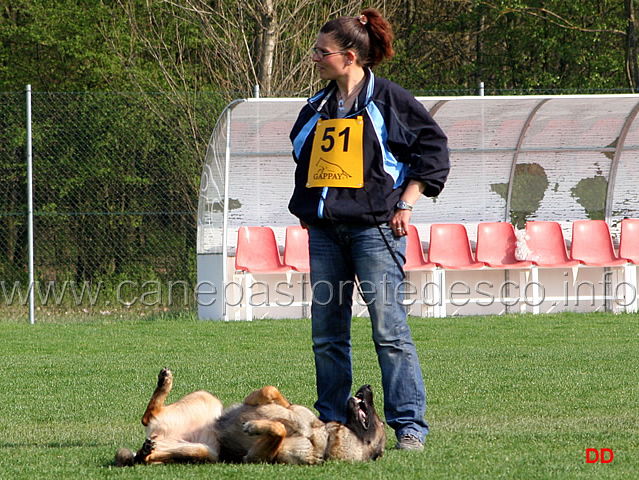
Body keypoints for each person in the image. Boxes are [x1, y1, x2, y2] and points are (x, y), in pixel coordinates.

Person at [288, 8, 450, 451]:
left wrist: (407, 201)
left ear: (352, 56)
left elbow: (433, 148)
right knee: (327, 334)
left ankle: (409, 427)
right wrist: (312, 202)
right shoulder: (316, 106)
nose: (315, 59)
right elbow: (302, 151)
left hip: (375, 232)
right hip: (325, 234)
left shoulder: (391, 101)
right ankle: (333, 423)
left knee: (389, 330)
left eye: (322, 53)